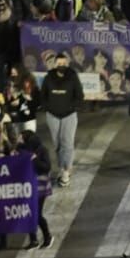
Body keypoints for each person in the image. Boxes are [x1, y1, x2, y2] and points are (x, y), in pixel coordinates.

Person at [38, 47, 83, 187]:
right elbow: (43, 95)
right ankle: (61, 167)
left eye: (64, 64)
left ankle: (66, 170)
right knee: (57, 144)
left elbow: (79, 96)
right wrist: (48, 107)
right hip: (53, 115)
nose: (61, 66)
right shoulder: (48, 77)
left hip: (69, 115)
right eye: (59, 64)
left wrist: (72, 107)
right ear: (55, 64)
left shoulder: (73, 76)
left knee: (67, 144)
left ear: (67, 64)